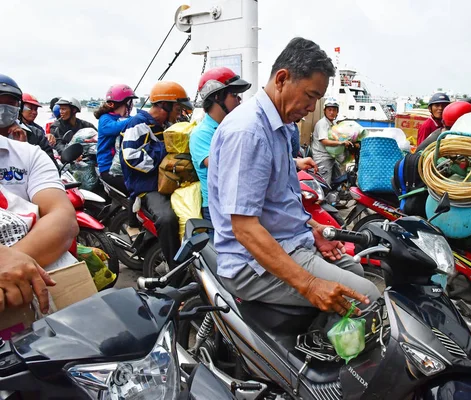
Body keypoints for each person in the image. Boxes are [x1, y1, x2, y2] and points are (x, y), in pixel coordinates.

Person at [208, 37, 380, 315]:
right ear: (282, 79)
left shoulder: (280, 126)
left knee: (355, 267)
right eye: (311, 96)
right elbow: (244, 228)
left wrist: (313, 230)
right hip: (250, 264)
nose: (313, 108)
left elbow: (277, 204)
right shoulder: (249, 132)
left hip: (288, 241)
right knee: (366, 296)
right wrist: (310, 285)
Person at [0, 74, 78, 313]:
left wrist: (11, 261)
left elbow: (63, 218)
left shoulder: (29, 152)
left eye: (9, 102)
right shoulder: (53, 127)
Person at [120, 81, 192, 268]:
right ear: (164, 105)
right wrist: (165, 160)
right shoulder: (139, 124)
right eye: (177, 108)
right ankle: (175, 267)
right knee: (167, 219)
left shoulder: (166, 125)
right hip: (148, 189)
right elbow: (132, 157)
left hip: (168, 184)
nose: (179, 113)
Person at [190, 67, 251, 222]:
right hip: (217, 208)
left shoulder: (231, 129)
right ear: (217, 97)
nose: (239, 100)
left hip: (238, 203)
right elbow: (226, 166)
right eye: (234, 95)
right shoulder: (201, 134)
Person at [95, 84, 138, 194]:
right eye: (129, 102)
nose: (131, 106)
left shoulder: (127, 119)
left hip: (125, 168)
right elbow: (114, 128)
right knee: (136, 191)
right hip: (108, 170)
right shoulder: (105, 119)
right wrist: (138, 119)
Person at [311, 97, 349, 185]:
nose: (331, 112)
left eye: (334, 110)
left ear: (337, 112)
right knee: (325, 185)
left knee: (338, 180)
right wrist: (341, 143)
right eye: (329, 110)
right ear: (325, 111)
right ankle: (324, 198)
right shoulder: (322, 123)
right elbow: (324, 141)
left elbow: (338, 136)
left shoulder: (333, 124)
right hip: (322, 158)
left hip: (331, 157)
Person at [17, 93, 57, 166]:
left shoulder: (38, 130)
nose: (34, 112)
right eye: (30, 108)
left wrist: (49, 138)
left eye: (36, 109)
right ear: (20, 108)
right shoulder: (12, 127)